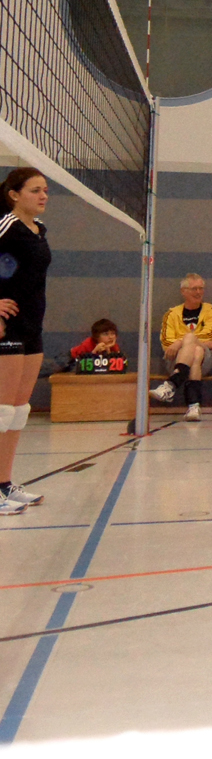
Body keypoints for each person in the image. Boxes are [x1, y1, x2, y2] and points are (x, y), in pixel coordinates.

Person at [0, 168, 51, 515]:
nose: (43, 195)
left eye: (45, 190)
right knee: (2, 410)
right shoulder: (5, 226)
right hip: (7, 327)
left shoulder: (39, 229)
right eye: (35, 190)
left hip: (32, 326)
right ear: (14, 195)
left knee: (18, 412)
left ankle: (4, 483)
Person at [150, 273, 212, 421]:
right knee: (196, 351)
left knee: (192, 341)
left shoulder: (211, 311)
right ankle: (194, 406)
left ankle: (171, 385)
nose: (198, 292)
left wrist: (179, 342)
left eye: (201, 288)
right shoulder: (171, 314)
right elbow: (167, 342)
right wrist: (191, 342)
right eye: (194, 289)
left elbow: (209, 336)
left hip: (206, 360)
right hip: (175, 359)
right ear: (183, 291)